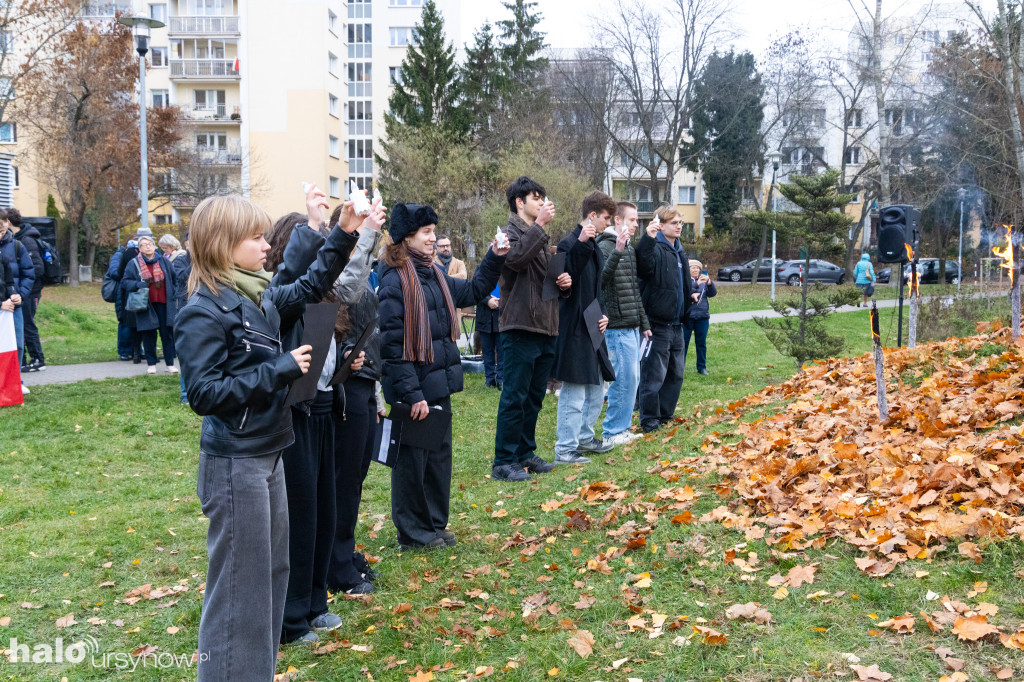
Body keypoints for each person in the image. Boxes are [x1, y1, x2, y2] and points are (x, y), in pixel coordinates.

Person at [176, 191, 363, 682]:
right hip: (236, 464)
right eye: (255, 238)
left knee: (271, 580)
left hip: (270, 455)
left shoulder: (256, 295)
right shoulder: (204, 310)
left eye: (264, 235)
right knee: (240, 590)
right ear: (223, 244)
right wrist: (279, 369)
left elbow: (314, 280)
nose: (265, 246)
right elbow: (203, 392)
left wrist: (343, 229)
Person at [378, 202, 506, 550]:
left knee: (437, 460)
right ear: (407, 238)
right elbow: (391, 344)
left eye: (434, 232)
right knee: (412, 464)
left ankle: (434, 525)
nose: (434, 239)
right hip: (414, 389)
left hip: (437, 383)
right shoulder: (394, 280)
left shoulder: (432, 274)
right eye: (427, 233)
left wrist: (494, 256)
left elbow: (473, 290)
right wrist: (411, 393)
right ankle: (413, 533)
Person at [491, 177, 571, 482]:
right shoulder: (506, 234)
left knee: (534, 396)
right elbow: (516, 260)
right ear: (518, 202)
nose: (541, 201)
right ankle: (503, 460)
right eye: (535, 197)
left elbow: (541, 282)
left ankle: (524, 452)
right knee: (515, 395)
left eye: (542, 197)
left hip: (545, 327)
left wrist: (563, 282)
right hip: (519, 326)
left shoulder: (538, 236)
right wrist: (539, 226)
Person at [327, 201, 386, 596]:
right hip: (344, 389)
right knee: (343, 482)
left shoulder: (363, 271)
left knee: (355, 480)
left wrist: (377, 392)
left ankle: (344, 553)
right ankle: (337, 565)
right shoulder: (335, 275)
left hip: (366, 386)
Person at [552, 191, 617, 465]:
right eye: (605, 218)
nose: (608, 223)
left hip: (592, 322)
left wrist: (604, 315)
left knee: (595, 385)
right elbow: (561, 282)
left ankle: (584, 438)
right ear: (592, 216)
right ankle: (565, 449)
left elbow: (597, 287)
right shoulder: (567, 243)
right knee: (575, 388)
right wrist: (580, 244)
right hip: (572, 325)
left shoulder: (594, 244)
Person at [596, 201, 650, 445]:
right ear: (617, 220)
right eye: (631, 220)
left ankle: (623, 428)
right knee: (622, 380)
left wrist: (644, 322)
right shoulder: (606, 246)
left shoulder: (629, 248)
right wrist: (617, 249)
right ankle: (613, 432)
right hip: (616, 327)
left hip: (632, 325)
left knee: (632, 380)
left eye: (637, 220)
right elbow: (601, 281)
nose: (636, 224)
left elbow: (634, 291)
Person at [636, 206, 692, 433]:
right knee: (653, 375)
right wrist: (647, 239)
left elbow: (681, 284)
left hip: (678, 324)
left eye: (680, 222)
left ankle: (665, 414)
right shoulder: (655, 247)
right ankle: (649, 418)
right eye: (674, 222)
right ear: (660, 224)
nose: (679, 226)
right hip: (657, 324)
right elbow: (643, 266)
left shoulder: (679, 250)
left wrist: (690, 297)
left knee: (675, 374)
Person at [120, 235, 179, 375]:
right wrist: (136, 284)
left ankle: (169, 364)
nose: (147, 246)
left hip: (165, 304)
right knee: (148, 334)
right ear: (139, 249)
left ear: (154, 246)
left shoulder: (164, 261)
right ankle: (151, 364)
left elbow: (174, 279)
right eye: (144, 244)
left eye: (150, 243)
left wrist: (174, 294)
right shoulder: (134, 263)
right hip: (146, 304)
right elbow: (125, 282)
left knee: (167, 334)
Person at [0, 208, 34, 395]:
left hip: (14, 306)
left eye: (5, 222)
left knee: (18, 345)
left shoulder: (17, 246)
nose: (3, 226)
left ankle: (16, 381)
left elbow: (29, 273)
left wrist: (20, 294)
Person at [8, 210, 45, 372]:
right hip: (21, 292)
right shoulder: (17, 239)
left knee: (28, 324)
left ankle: (38, 359)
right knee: (21, 326)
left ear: (7, 222)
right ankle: (22, 361)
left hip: (30, 292)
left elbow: (37, 268)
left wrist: (23, 289)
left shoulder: (27, 241)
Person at [683, 259, 715, 376]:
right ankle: (679, 367)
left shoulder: (704, 281)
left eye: (697, 268)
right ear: (688, 269)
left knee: (701, 343)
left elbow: (712, 293)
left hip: (702, 317)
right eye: (693, 268)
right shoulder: (685, 280)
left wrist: (710, 282)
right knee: (683, 343)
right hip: (688, 317)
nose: (696, 270)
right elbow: (684, 292)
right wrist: (697, 284)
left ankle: (701, 367)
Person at [171, 234, 192, 402]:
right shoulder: (179, 261)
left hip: (206, 311)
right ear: (186, 244)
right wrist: (197, 259)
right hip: (185, 312)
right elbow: (183, 277)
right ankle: (185, 395)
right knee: (186, 354)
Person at [475, 284, 502, 389]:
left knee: (502, 350)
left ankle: (501, 380)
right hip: (484, 318)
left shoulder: (508, 270)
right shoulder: (480, 270)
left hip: (502, 317)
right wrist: (487, 300)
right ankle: (489, 379)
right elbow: (476, 290)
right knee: (487, 350)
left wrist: (501, 301)